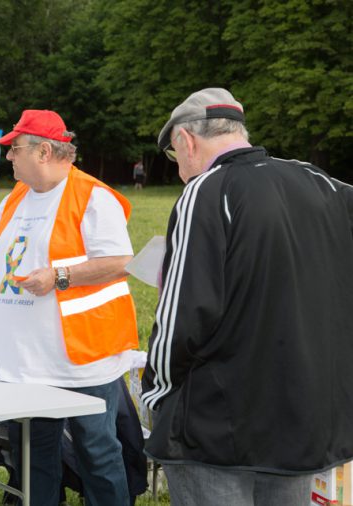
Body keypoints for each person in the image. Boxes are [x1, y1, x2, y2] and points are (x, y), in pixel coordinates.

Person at [141, 88, 353, 506]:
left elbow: (184, 313)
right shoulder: (318, 182)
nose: (180, 170)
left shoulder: (206, 190)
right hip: (302, 419)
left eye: (173, 156)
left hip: (218, 425)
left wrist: (157, 392)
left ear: (186, 140)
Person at [0, 109, 139, 506]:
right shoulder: (16, 198)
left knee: (97, 452)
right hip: (25, 360)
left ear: (44, 151)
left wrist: (58, 277)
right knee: (33, 458)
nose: (9, 157)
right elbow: (6, 258)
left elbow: (118, 261)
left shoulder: (93, 197)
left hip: (84, 358)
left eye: (15, 149)